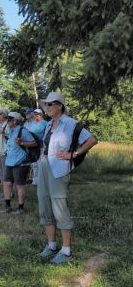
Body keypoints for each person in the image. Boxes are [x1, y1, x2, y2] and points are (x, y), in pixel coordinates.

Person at [37, 92, 97, 264]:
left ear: (59, 106)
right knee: (44, 203)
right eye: (46, 104)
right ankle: (51, 245)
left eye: (50, 104)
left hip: (59, 170)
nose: (47, 108)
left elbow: (92, 139)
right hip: (43, 166)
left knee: (59, 206)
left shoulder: (71, 124)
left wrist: (74, 153)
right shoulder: (49, 125)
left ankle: (66, 251)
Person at [0, 112, 37, 215]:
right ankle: (7, 206)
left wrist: (21, 143)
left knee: (19, 186)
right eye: (7, 119)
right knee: (6, 184)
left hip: (20, 163)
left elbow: (34, 143)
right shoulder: (11, 131)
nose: (7, 121)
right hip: (9, 162)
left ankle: (21, 208)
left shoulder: (23, 131)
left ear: (15, 120)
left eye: (9, 119)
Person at [29, 108, 48, 185]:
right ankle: (35, 180)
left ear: (41, 115)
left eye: (37, 114)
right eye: (34, 114)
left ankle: (42, 180)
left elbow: (47, 135)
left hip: (41, 144)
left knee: (41, 162)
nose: (36, 116)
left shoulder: (45, 123)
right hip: (33, 145)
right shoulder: (32, 123)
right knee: (34, 163)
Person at [0, 108, 10, 187]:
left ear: (4, 115)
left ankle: (9, 192)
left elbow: (11, 138)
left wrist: (4, 133)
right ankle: (5, 191)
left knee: (5, 172)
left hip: (5, 152)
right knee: (1, 172)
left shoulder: (8, 125)